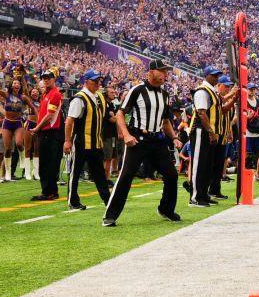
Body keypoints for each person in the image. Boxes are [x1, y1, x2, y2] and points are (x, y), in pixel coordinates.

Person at [102, 59, 185, 227]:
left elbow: (166, 121)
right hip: (138, 140)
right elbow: (120, 114)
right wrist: (126, 135)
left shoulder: (165, 95)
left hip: (158, 140)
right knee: (126, 177)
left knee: (171, 175)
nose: (165, 74)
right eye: (162, 71)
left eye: (166, 72)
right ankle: (110, 215)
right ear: (151, 72)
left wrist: (174, 137)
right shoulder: (137, 90)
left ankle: (166, 209)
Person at [62, 70, 113, 211]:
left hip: (96, 142)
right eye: (94, 81)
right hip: (80, 142)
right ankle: (73, 201)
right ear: (86, 81)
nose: (98, 83)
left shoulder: (100, 97)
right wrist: (67, 141)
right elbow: (69, 120)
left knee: (100, 174)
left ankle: (108, 200)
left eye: (99, 81)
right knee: (75, 172)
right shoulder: (80, 98)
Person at [0, 68, 33, 182]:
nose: (17, 84)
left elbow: (25, 91)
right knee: (2, 153)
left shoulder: (17, 100)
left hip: (14, 127)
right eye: (15, 83)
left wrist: (23, 78)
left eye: (18, 83)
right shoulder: (1, 102)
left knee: (13, 149)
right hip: (3, 130)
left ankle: (8, 173)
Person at [184, 65, 222, 207]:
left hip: (207, 131)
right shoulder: (202, 91)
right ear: (206, 76)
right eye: (214, 75)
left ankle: (203, 194)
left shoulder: (211, 91)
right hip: (201, 130)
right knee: (199, 164)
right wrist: (210, 132)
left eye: (217, 75)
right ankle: (194, 197)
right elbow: (201, 113)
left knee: (206, 165)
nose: (216, 77)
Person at [32, 68, 66, 202]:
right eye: (44, 78)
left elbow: (49, 115)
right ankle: (52, 191)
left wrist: (37, 128)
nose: (46, 79)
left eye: (48, 77)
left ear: (54, 79)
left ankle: (48, 192)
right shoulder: (48, 93)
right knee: (49, 163)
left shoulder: (54, 94)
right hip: (48, 132)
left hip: (50, 133)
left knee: (47, 164)